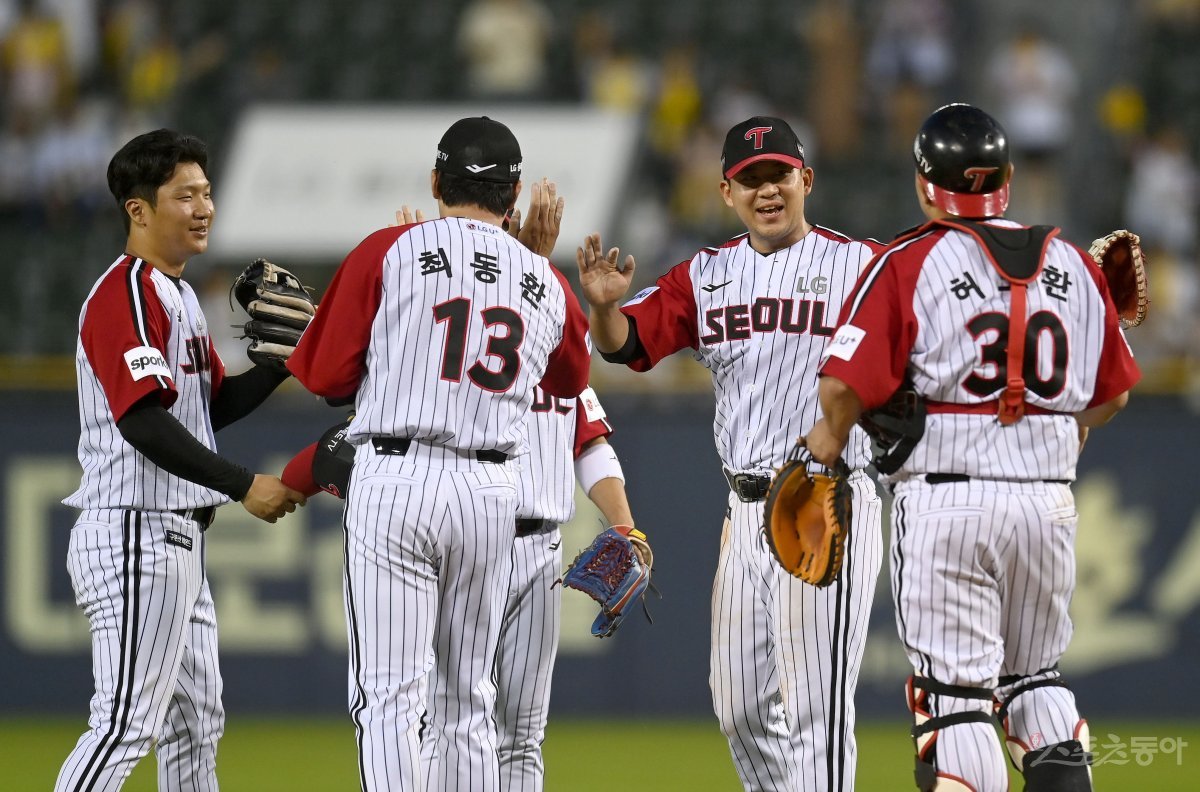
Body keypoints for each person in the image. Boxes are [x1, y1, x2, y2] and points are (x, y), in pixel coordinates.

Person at [804, 103, 1142, 792]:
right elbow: (1112, 398)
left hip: (947, 502)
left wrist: (828, 442)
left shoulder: (908, 261)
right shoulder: (1071, 263)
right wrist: (1051, 429)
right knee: (1036, 683)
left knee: (955, 702)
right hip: (1047, 506)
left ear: (924, 183)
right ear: (1007, 180)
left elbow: (841, 386)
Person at [576, 115, 884, 792]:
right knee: (739, 708)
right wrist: (602, 310)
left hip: (824, 500)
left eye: (779, 175)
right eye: (751, 179)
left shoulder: (862, 265)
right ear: (726, 192)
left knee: (816, 711)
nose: (766, 190)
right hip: (744, 510)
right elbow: (628, 343)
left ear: (806, 180)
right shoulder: (706, 275)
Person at [285, 116, 590, 792]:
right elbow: (570, 379)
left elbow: (327, 378)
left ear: (434, 182)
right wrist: (533, 265)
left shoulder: (390, 249)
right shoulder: (544, 280)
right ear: (514, 196)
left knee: (390, 697)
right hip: (491, 493)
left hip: (398, 478)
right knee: (467, 701)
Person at [56, 128, 306, 791]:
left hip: (173, 538)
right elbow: (141, 418)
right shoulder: (126, 293)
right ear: (138, 210)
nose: (204, 208)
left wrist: (281, 363)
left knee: (196, 725)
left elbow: (207, 406)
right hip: (135, 530)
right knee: (124, 726)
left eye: (207, 193)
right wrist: (242, 483)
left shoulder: (178, 296)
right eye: (185, 195)